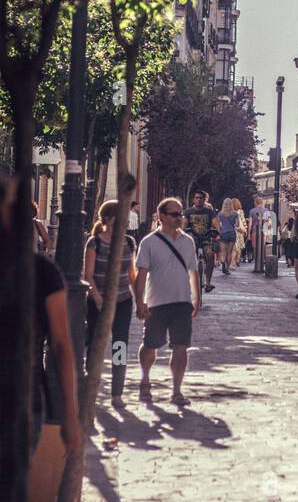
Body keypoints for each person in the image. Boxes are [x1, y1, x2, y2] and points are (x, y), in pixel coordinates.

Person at [0, 175, 82, 459]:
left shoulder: (42, 272)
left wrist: (70, 417)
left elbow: (61, 345)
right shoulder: (42, 271)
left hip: (22, 403)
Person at [135, 196, 200, 406]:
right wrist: (139, 302)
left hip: (182, 302)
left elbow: (193, 271)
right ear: (162, 216)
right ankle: (145, 380)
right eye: (174, 214)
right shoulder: (149, 242)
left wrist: (197, 298)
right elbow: (141, 274)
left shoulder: (188, 241)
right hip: (156, 303)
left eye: (181, 214)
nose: (179, 218)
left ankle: (177, 391)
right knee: (150, 345)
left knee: (181, 347)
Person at [83, 200, 137, 408]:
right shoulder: (94, 243)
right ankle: (92, 387)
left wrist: (140, 299)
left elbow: (131, 275)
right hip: (98, 302)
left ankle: (117, 392)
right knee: (96, 345)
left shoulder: (130, 242)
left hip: (123, 301)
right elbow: (88, 276)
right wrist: (98, 300)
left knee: (120, 345)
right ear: (108, 218)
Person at [183, 188, 218, 293]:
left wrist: (217, 229)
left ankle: (208, 282)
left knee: (210, 255)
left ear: (204, 200)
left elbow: (215, 222)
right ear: (193, 199)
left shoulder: (209, 212)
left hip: (206, 239)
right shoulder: (188, 211)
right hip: (192, 239)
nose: (198, 200)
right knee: (187, 257)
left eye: (201, 198)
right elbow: (183, 224)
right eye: (196, 198)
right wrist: (183, 229)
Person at [218, 197, 238, 275]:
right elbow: (237, 224)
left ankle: (223, 263)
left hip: (223, 233)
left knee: (223, 252)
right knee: (229, 252)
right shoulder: (235, 214)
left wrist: (220, 230)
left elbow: (218, 224)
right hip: (232, 233)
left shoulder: (220, 214)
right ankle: (227, 269)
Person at [231, 197, 247, 267]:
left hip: (231, 230)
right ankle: (236, 260)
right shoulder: (240, 211)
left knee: (233, 247)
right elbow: (243, 221)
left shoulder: (229, 211)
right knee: (238, 247)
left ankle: (231, 261)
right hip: (239, 231)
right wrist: (245, 229)